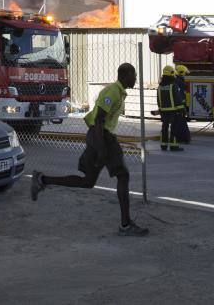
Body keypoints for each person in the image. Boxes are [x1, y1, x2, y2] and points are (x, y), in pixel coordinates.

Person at [31, 63, 148, 237]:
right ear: (125, 75)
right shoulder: (113, 92)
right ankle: (125, 225)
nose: (136, 78)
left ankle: (42, 179)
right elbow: (99, 120)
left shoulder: (119, 92)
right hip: (102, 137)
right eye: (134, 75)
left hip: (100, 136)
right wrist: (101, 149)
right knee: (123, 175)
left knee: (88, 182)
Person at [157, 66, 184, 151]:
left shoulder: (160, 86)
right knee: (174, 127)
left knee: (164, 127)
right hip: (173, 110)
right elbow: (177, 98)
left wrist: (160, 109)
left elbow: (158, 99)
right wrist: (182, 109)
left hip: (164, 111)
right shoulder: (173, 86)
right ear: (172, 73)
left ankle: (163, 145)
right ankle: (174, 145)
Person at [174, 64, 192, 144]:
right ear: (181, 73)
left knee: (179, 122)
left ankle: (182, 137)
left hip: (179, 107)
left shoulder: (178, 81)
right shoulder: (179, 82)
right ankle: (182, 138)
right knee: (180, 122)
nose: (185, 75)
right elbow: (180, 96)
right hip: (179, 107)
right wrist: (183, 108)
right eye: (185, 73)